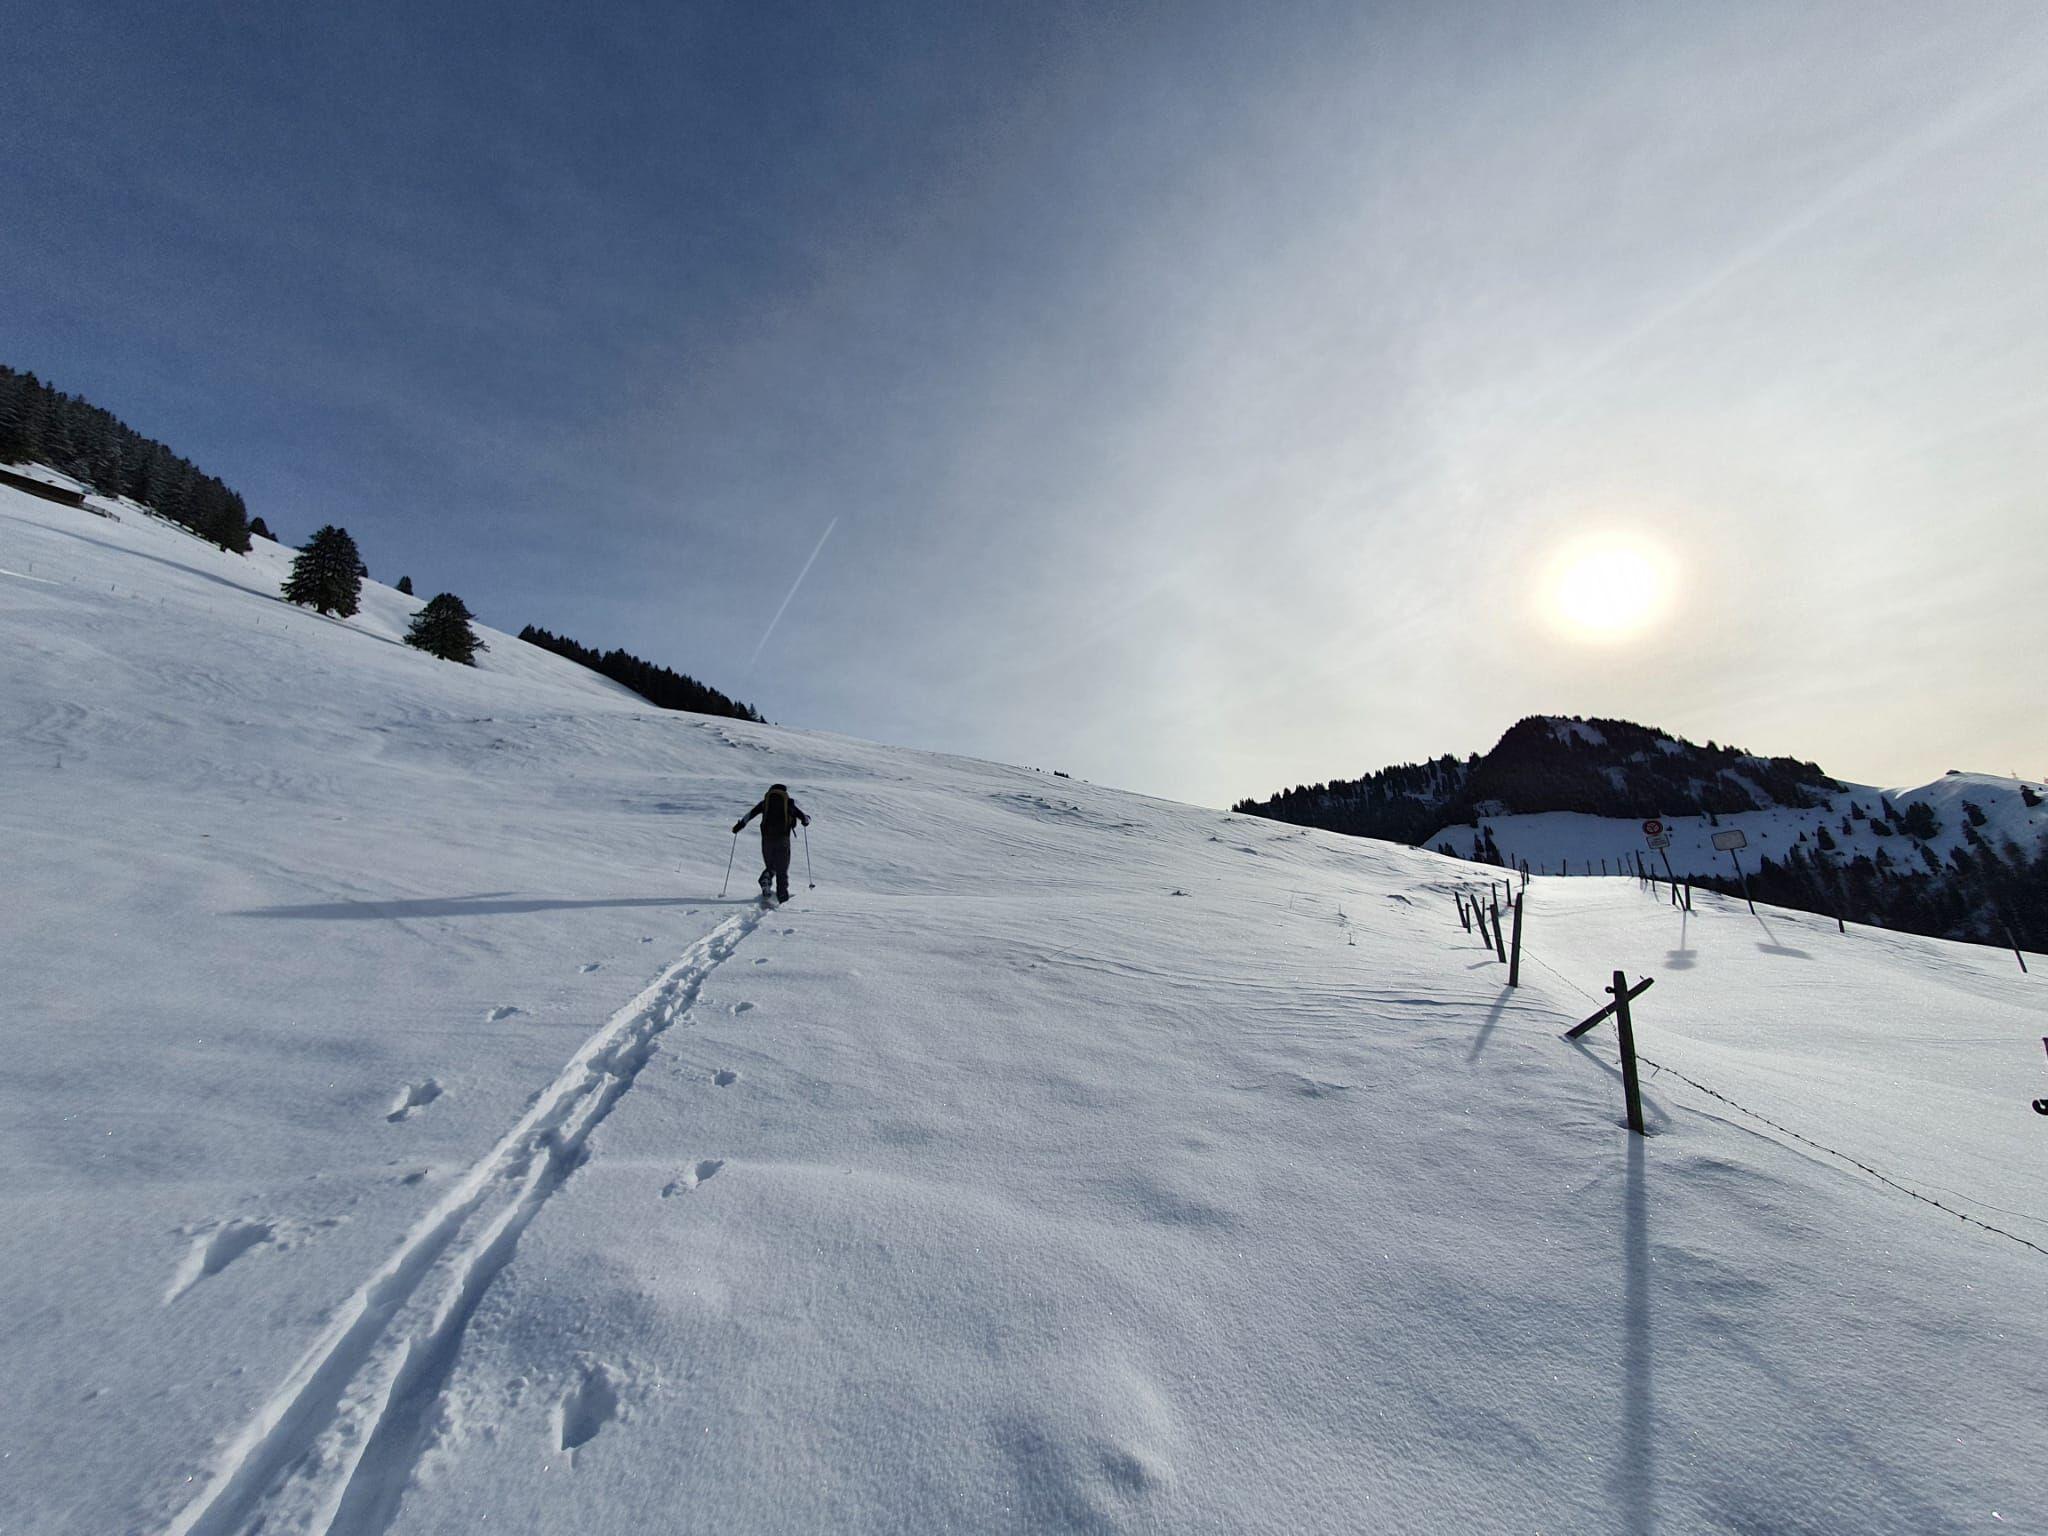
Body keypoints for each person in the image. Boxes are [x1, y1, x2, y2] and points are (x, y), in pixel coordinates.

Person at [733, 783, 810, 901]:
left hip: (767, 839)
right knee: (782, 869)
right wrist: (806, 820)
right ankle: (782, 897)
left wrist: (739, 826)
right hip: (783, 839)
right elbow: (804, 818)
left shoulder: (765, 803)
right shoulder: (788, 803)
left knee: (772, 865)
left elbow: (750, 815)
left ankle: (766, 878)